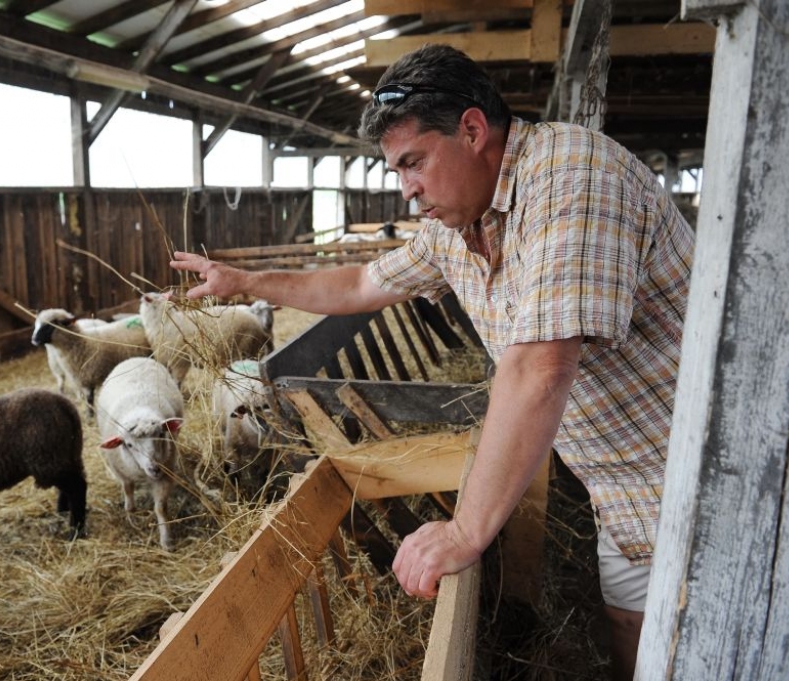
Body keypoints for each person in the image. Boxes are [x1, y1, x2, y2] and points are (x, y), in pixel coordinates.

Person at [171, 43, 693, 681]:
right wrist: (245, 283)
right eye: (395, 171)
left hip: (700, 476)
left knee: (712, 641)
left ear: (472, 130)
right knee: (633, 627)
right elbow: (362, 285)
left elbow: (540, 370)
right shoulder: (457, 228)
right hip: (618, 489)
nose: (407, 190)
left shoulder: (572, 178)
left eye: (413, 162)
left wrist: (467, 530)